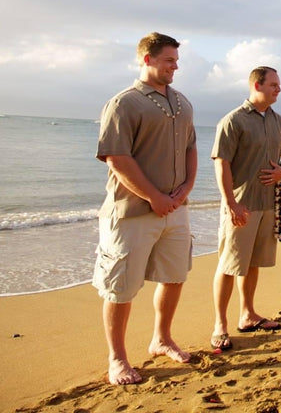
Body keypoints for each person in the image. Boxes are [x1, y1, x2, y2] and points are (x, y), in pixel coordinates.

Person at [93, 32, 197, 385]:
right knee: (120, 288)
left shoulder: (183, 103)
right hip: (132, 213)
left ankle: (161, 338)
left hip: (175, 211)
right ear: (147, 59)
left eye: (176, 60)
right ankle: (117, 359)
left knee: (174, 275)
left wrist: (185, 190)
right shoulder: (124, 103)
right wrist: (154, 196)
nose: (176, 66)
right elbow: (117, 158)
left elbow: (191, 148)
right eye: (169, 60)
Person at [209, 66, 281, 351]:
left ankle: (248, 314)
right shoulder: (233, 121)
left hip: (269, 203)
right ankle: (220, 325)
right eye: (274, 84)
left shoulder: (279, 121)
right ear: (257, 85)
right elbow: (221, 163)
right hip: (241, 204)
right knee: (229, 264)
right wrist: (231, 203)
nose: (278, 89)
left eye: (279, 85)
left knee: (254, 262)